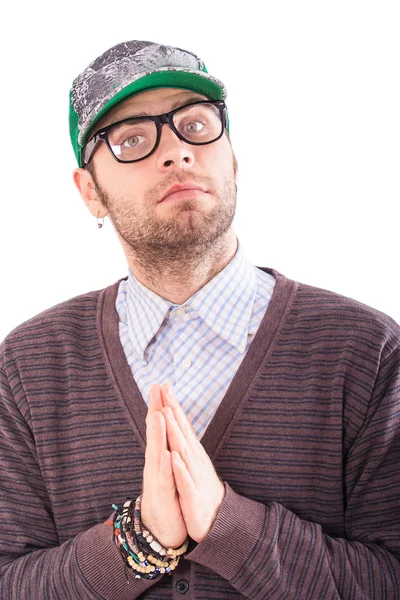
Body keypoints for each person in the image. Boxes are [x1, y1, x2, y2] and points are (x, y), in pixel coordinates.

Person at [0, 39, 399, 600]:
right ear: (91, 192)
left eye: (195, 124)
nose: (177, 152)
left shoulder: (367, 350)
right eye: (133, 139)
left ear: (231, 158)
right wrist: (138, 541)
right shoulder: (27, 365)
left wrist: (229, 526)